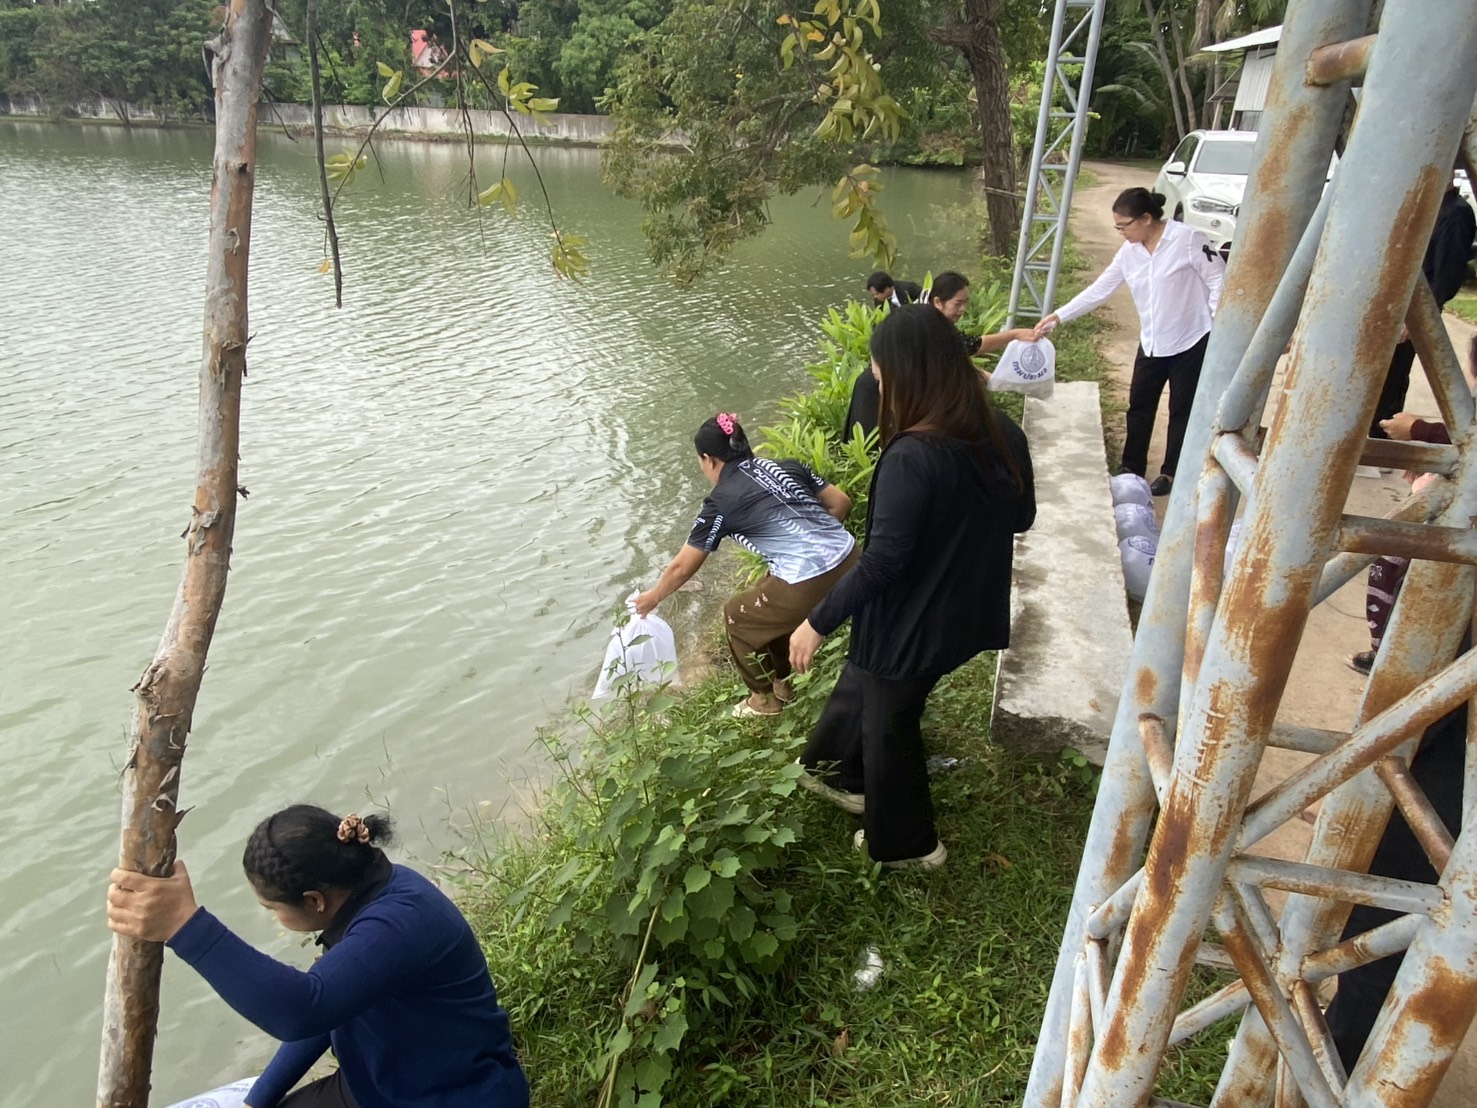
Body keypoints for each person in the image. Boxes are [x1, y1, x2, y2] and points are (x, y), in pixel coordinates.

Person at [790, 305, 1035, 869]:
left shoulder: (913, 456)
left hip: (912, 621)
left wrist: (815, 622)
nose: (878, 389)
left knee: (890, 725)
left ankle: (909, 846)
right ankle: (838, 773)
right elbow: (1020, 517)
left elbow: (882, 562)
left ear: (910, 376)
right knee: (869, 683)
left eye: (881, 378)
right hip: (965, 608)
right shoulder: (1004, 432)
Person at [106, 806, 529, 1108]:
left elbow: (304, 1010)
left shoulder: (398, 923)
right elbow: (327, 1014)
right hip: (382, 1087)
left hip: (454, 1095)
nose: (272, 916)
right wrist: (258, 1100)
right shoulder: (365, 900)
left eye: (272, 908)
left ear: (314, 900)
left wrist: (185, 926)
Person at [635, 413, 857, 718]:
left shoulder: (721, 502)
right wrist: (814, 544)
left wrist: (653, 597)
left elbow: (682, 567)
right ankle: (783, 683)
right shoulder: (786, 466)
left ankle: (762, 701)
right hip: (855, 559)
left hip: (811, 580)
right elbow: (841, 502)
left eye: (700, 462)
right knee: (769, 598)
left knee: (738, 617)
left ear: (709, 459)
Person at [1035, 187, 1224, 496]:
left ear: (1146, 219)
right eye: (1118, 227)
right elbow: (1100, 289)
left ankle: (1171, 472)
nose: (1121, 232)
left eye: (1124, 226)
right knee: (1139, 405)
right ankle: (1131, 467)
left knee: (1182, 408)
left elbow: (1218, 279)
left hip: (1192, 339)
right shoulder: (1129, 253)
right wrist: (1058, 316)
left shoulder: (1187, 239)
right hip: (1152, 340)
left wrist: (1216, 326)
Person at [845, 271, 1037, 440]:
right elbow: (969, 350)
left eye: (965, 303)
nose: (962, 309)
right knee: (875, 445)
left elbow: (963, 359)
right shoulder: (924, 324)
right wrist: (1013, 337)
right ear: (938, 302)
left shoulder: (935, 320)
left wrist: (1007, 381)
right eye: (957, 303)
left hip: (898, 390)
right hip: (880, 390)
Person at [1370, 174, 1476, 438]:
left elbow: (1448, 275)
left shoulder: (1455, 213)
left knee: (1391, 380)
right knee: (1378, 377)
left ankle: (1382, 438)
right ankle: (1373, 435)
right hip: (1398, 310)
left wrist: (1418, 318)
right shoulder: (1429, 207)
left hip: (1413, 314)